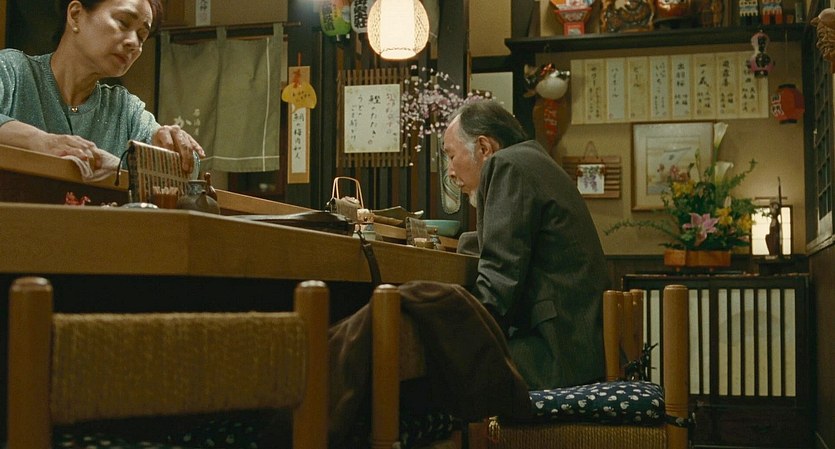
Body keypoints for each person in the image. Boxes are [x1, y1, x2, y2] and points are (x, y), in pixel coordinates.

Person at [442, 99, 609, 390]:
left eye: (451, 156)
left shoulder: (508, 165)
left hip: (556, 355)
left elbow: (499, 282)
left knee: (430, 366)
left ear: (484, 148)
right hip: (577, 346)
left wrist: (451, 336)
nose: (450, 172)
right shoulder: (533, 160)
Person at [0, 0, 203, 173]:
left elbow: (191, 168)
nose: (134, 43)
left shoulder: (125, 110)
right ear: (76, 15)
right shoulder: (12, 70)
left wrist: (173, 147)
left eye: (141, 36)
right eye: (123, 22)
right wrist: (41, 141)